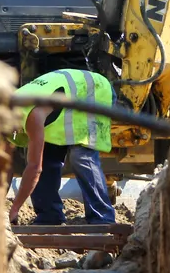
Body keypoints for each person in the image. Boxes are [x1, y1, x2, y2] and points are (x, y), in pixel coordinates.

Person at [8, 68, 118, 226]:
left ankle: (102, 219)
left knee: (80, 156)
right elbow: (5, 166)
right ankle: (50, 217)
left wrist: (15, 208)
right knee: (46, 156)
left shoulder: (33, 115)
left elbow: (34, 168)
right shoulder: (3, 115)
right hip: (65, 100)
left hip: (93, 91)